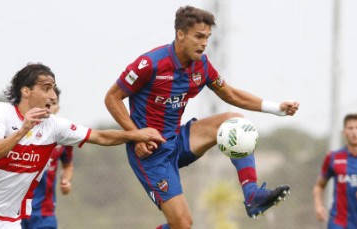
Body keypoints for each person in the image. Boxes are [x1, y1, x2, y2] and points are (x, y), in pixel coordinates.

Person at [105, 5, 299, 228]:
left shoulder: (202, 66)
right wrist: (136, 136)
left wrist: (277, 108)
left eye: (207, 37)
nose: (204, 43)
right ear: (180, 34)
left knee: (236, 123)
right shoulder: (150, 64)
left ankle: (252, 195)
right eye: (198, 36)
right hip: (150, 154)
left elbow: (231, 94)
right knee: (183, 225)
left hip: (177, 140)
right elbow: (112, 98)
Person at [0, 63, 165, 229]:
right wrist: (23, 131)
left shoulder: (54, 127)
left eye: (54, 89)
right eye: (46, 88)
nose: (52, 95)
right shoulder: (1, 112)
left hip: (9, 221)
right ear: (26, 91)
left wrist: (135, 134)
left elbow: (100, 136)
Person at [21, 87, 74, 229]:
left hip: (43, 212)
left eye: (53, 104)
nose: (49, 108)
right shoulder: (21, 130)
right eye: (46, 104)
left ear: (57, 107)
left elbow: (67, 165)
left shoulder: (62, 136)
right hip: (15, 208)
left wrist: (66, 181)